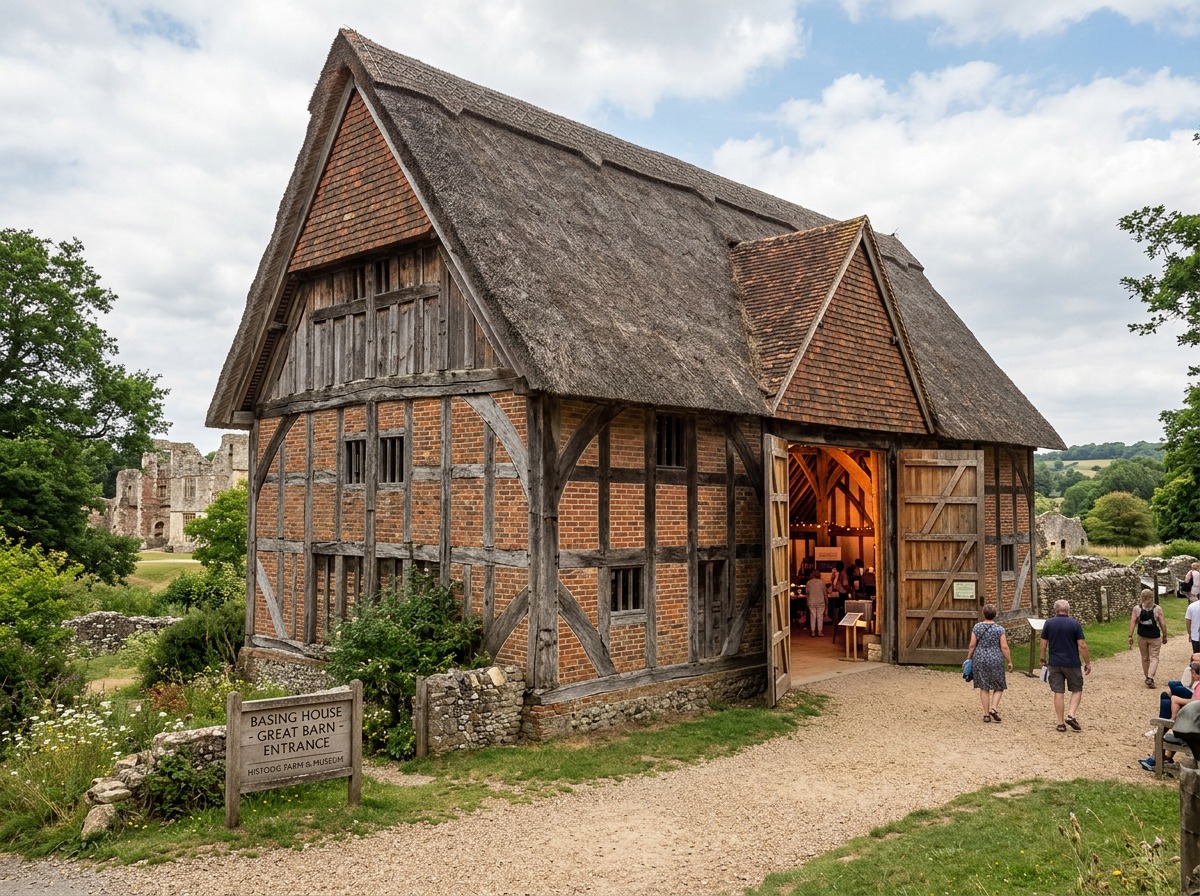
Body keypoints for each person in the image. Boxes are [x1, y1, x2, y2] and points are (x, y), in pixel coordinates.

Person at [1040, 599, 1091, 732]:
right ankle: (1071, 714)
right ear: (1068, 610)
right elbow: (1082, 645)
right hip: (1072, 662)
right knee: (1077, 689)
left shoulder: (1049, 623)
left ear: (1056, 610)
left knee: (1058, 692)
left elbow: (1043, 643)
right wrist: (1087, 662)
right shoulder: (1075, 624)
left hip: (1055, 663)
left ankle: (1060, 723)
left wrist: (1042, 658)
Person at [965, 604, 1013, 722]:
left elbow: (972, 644)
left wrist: (968, 658)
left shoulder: (977, 627)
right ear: (995, 615)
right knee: (999, 685)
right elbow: (1004, 647)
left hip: (980, 658)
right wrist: (1009, 661)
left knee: (984, 687)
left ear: (984, 614)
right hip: (995, 658)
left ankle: (986, 715)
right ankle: (994, 708)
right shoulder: (1000, 629)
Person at [1127, 589, 1168, 687]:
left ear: (1141, 597)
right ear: (1152, 597)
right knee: (1154, 657)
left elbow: (1133, 621)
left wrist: (1130, 635)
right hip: (1154, 636)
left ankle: (1147, 677)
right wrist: (1165, 635)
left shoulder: (1137, 609)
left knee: (1145, 658)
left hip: (1142, 636)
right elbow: (1162, 623)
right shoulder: (1157, 608)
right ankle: (1150, 677)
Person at [805, 569, 827, 638]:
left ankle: (813, 631)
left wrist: (808, 601)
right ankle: (820, 631)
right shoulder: (822, 583)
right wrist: (826, 602)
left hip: (811, 602)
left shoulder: (809, 583)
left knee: (813, 616)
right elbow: (825, 593)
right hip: (820, 601)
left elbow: (807, 593)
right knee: (820, 617)